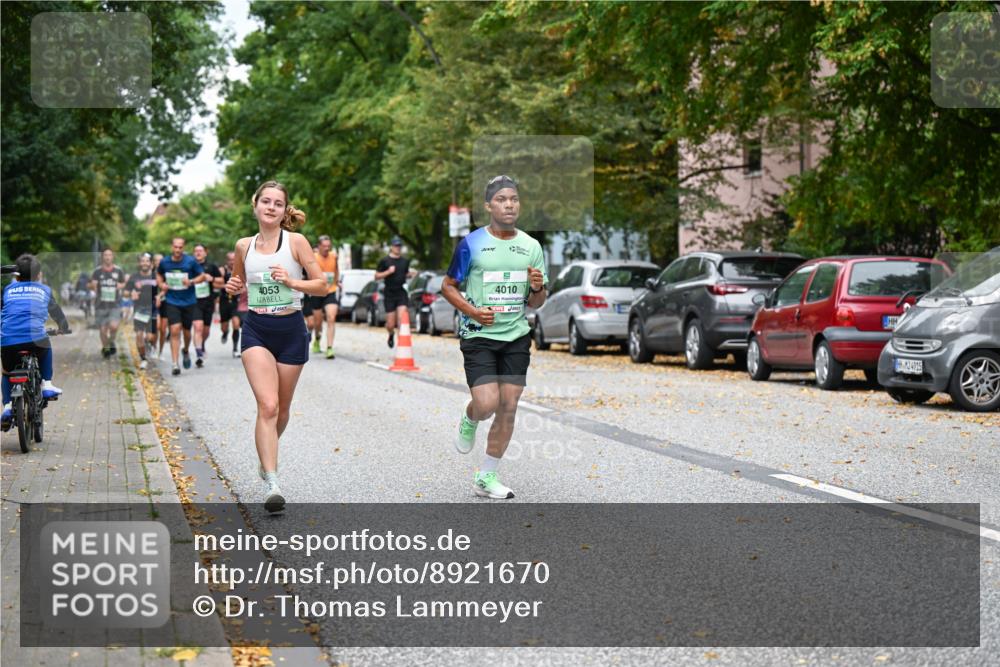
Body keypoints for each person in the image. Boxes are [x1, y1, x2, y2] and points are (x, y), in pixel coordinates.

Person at [440, 175, 547, 500]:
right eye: (501, 199)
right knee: (488, 403)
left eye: (513, 199)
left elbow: (535, 303)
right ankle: (471, 415)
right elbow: (447, 286)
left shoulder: (531, 247)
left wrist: (538, 287)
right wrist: (471, 312)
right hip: (479, 335)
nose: (509, 204)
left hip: (516, 335)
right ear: (488, 206)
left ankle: (486, 476)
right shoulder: (471, 244)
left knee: (509, 406)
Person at [224, 180, 326, 513]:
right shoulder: (244, 245)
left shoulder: (296, 242)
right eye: (265, 201)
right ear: (254, 205)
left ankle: (266, 455)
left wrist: (292, 281)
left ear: (284, 210)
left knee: (281, 409)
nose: (270, 207)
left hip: (291, 329)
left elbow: (322, 285)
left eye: (277, 203)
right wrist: (231, 286)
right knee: (267, 406)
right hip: (257, 329)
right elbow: (236, 284)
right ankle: (272, 480)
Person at [1, 254, 71, 429]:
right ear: (39, 275)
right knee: (46, 346)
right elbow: (56, 312)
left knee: (6, 371)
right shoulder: (44, 290)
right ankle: (47, 384)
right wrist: (63, 327)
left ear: (16, 276)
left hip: (9, 341)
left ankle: (8, 407)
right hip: (36, 339)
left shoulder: (8, 290)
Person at [157, 237, 209, 376]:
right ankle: (175, 364)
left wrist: (191, 281)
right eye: (175, 247)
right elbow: (159, 274)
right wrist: (161, 284)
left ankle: (185, 349)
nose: (178, 250)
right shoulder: (165, 262)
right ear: (172, 247)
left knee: (186, 333)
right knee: (174, 330)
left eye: (180, 247)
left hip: (189, 302)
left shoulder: (190, 261)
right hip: (172, 301)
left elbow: (202, 276)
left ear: (183, 247)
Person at [374, 237, 412, 348]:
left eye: (399, 246)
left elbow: (405, 273)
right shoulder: (385, 261)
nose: (398, 248)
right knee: (390, 324)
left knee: (402, 319)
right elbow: (376, 276)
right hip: (389, 293)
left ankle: (401, 344)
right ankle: (391, 334)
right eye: (396, 246)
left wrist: (410, 274)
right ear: (391, 247)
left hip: (401, 292)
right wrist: (388, 272)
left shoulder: (405, 261)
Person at [89, 248, 127, 358]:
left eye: (109, 255)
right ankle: (106, 349)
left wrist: (121, 286)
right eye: (105, 255)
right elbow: (92, 285)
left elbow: (124, 283)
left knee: (114, 327)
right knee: (103, 329)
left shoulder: (118, 271)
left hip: (115, 304)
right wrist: (94, 285)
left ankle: (111, 342)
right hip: (101, 304)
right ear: (102, 257)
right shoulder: (97, 271)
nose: (107, 257)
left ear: (113, 256)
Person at [124, 253, 158, 370]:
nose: (144, 263)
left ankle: (150, 345)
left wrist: (160, 297)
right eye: (142, 261)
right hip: (140, 309)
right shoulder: (134, 277)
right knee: (139, 335)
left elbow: (164, 290)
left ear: (151, 263)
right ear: (139, 263)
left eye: (147, 261)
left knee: (150, 337)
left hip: (153, 309)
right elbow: (125, 292)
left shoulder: (156, 277)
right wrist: (131, 293)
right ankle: (143, 358)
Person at [192, 243, 224, 368]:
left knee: (205, 331)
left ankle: (202, 344)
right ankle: (199, 354)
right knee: (197, 327)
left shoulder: (211, 266)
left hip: (208, 301)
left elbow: (221, 281)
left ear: (205, 252)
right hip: (194, 301)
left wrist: (212, 279)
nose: (198, 253)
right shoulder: (190, 266)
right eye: (196, 251)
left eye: (200, 251)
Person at [310, 235, 340, 359]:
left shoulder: (334, 256)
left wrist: (337, 282)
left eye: (329, 246)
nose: (327, 248)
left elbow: (336, 270)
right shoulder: (314, 257)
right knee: (317, 322)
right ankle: (317, 337)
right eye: (325, 246)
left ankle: (329, 348)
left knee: (331, 317)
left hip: (330, 290)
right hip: (317, 291)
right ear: (319, 246)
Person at [152, 252, 169, 360]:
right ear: (153, 262)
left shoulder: (167, 274)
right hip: (154, 303)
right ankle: (153, 347)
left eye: (161, 260)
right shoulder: (151, 274)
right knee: (157, 326)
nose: (159, 262)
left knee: (163, 329)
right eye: (156, 260)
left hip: (166, 302)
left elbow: (168, 288)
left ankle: (161, 351)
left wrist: (160, 296)